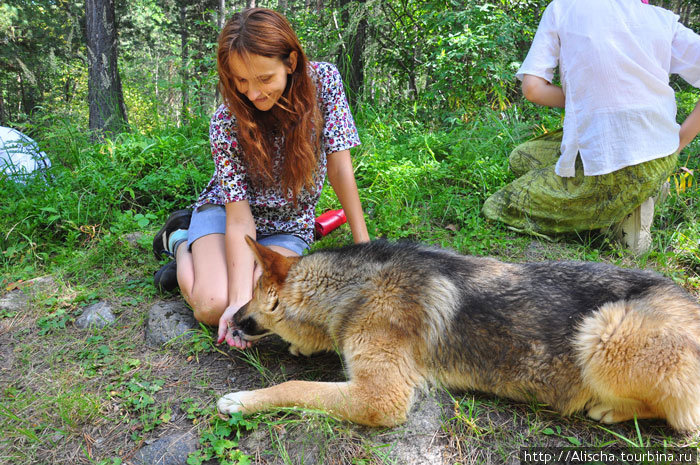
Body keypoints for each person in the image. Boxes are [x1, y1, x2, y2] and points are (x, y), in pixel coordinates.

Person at [152, 8, 370, 349]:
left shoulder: (324, 82)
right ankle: (180, 240)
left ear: (291, 60)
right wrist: (237, 302)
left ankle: (198, 253)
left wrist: (364, 247)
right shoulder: (226, 121)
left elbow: (340, 169)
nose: (252, 93)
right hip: (227, 215)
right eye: (240, 81)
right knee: (214, 306)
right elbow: (239, 217)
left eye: (263, 79)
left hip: (289, 223)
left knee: (270, 302)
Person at [482, 0, 700, 254]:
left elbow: (533, 89)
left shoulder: (563, 9)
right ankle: (639, 191)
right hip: (659, 154)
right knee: (521, 158)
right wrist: (678, 143)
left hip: (610, 170)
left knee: (499, 205)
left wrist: (584, 95)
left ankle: (620, 215)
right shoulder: (661, 18)